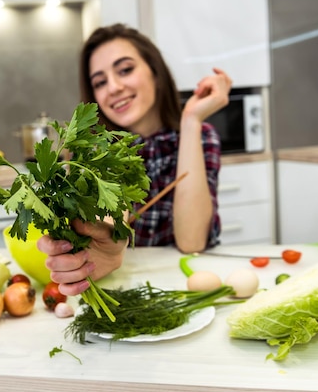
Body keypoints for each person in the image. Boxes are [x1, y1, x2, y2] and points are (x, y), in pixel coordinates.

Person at [36, 23, 232, 296]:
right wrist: (109, 247)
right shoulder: (92, 151)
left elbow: (192, 242)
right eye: (100, 82)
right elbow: (105, 224)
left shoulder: (200, 136)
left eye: (125, 70)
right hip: (123, 284)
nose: (113, 88)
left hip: (186, 281)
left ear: (155, 72)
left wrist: (191, 121)